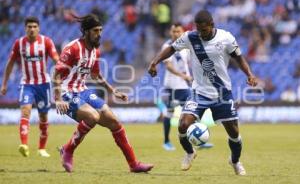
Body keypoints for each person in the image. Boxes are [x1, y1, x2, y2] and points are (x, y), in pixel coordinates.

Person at [148, 10, 258, 175]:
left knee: (234, 133)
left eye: (204, 30)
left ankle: (235, 161)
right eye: (198, 29)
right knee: (183, 124)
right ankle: (190, 152)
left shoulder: (226, 38)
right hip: (198, 92)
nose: (201, 33)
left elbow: (239, 58)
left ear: (212, 25)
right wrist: (155, 62)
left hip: (222, 93)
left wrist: (249, 74)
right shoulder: (190, 37)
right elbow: (171, 49)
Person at [52, 14, 154, 173]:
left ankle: (134, 164)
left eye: (100, 30)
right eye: (95, 31)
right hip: (66, 92)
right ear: (86, 32)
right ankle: (68, 150)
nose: (99, 34)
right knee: (92, 116)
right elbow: (57, 74)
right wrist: (58, 99)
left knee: (114, 121)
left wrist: (113, 91)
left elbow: (96, 75)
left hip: (82, 91)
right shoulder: (73, 48)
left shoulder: (95, 51)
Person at [0, 16, 59, 157]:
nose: (32, 29)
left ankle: (41, 148)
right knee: (25, 111)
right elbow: (10, 63)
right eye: (29, 27)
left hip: (44, 85)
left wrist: (60, 69)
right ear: (25, 28)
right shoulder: (19, 43)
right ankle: (24, 144)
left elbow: (57, 60)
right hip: (26, 83)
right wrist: (4, 83)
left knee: (43, 117)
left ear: (38, 28)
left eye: (34, 27)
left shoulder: (46, 42)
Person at [160, 22, 213, 151]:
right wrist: (184, 77)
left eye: (178, 31)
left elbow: (192, 61)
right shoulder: (167, 46)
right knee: (172, 113)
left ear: (183, 32)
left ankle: (197, 140)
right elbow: (168, 66)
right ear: (170, 32)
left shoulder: (185, 47)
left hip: (184, 86)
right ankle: (167, 141)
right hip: (172, 86)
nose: (176, 34)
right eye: (173, 31)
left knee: (187, 111)